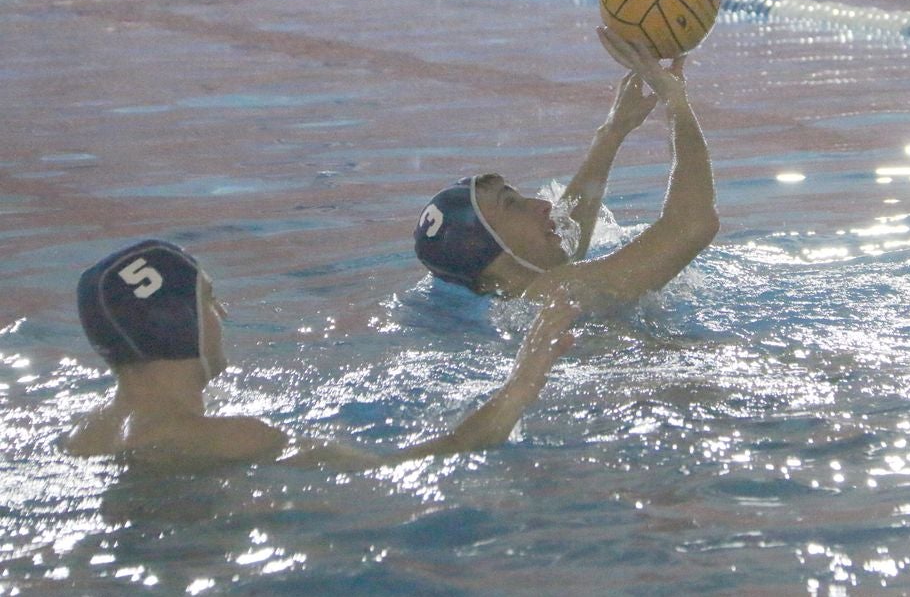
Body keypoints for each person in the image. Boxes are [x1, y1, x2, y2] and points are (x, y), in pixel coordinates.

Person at [61, 239, 578, 471]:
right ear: (182, 323)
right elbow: (394, 468)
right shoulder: (238, 437)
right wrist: (522, 385)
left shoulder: (81, 438)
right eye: (209, 301)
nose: (224, 315)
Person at [414, 28, 719, 308]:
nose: (544, 205)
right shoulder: (556, 293)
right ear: (492, 260)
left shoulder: (527, 298)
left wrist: (613, 132)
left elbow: (568, 237)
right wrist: (675, 101)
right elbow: (694, 225)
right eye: (512, 205)